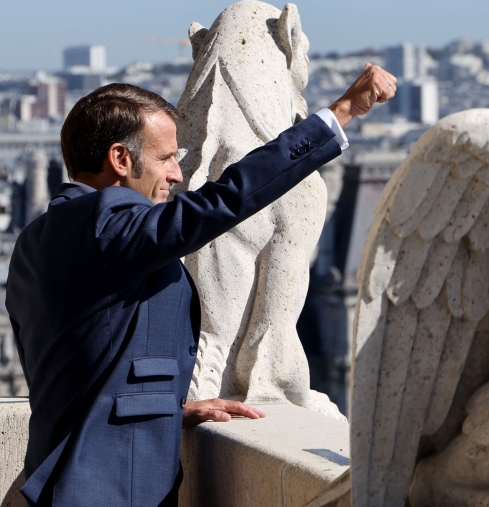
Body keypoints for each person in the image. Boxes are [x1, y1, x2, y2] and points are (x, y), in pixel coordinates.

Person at [6, 63, 396, 507]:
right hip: (106, 490)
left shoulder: (39, 237)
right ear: (120, 159)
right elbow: (221, 202)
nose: (176, 174)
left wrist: (166, 411)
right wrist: (340, 113)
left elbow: (81, 362)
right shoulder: (105, 222)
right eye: (167, 157)